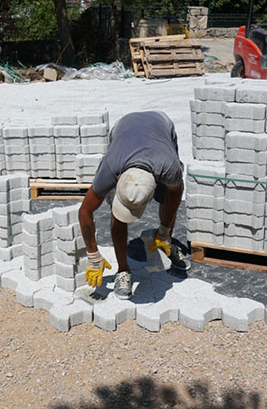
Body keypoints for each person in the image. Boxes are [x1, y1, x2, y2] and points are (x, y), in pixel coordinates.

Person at [78, 111, 189, 299]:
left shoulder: (170, 169)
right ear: (118, 178)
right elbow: (85, 211)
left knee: (167, 196)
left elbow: (174, 196)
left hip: (162, 125)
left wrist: (165, 229)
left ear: (155, 184)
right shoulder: (111, 168)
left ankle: (164, 240)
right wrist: (93, 256)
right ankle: (123, 270)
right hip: (124, 127)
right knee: (116, 206)